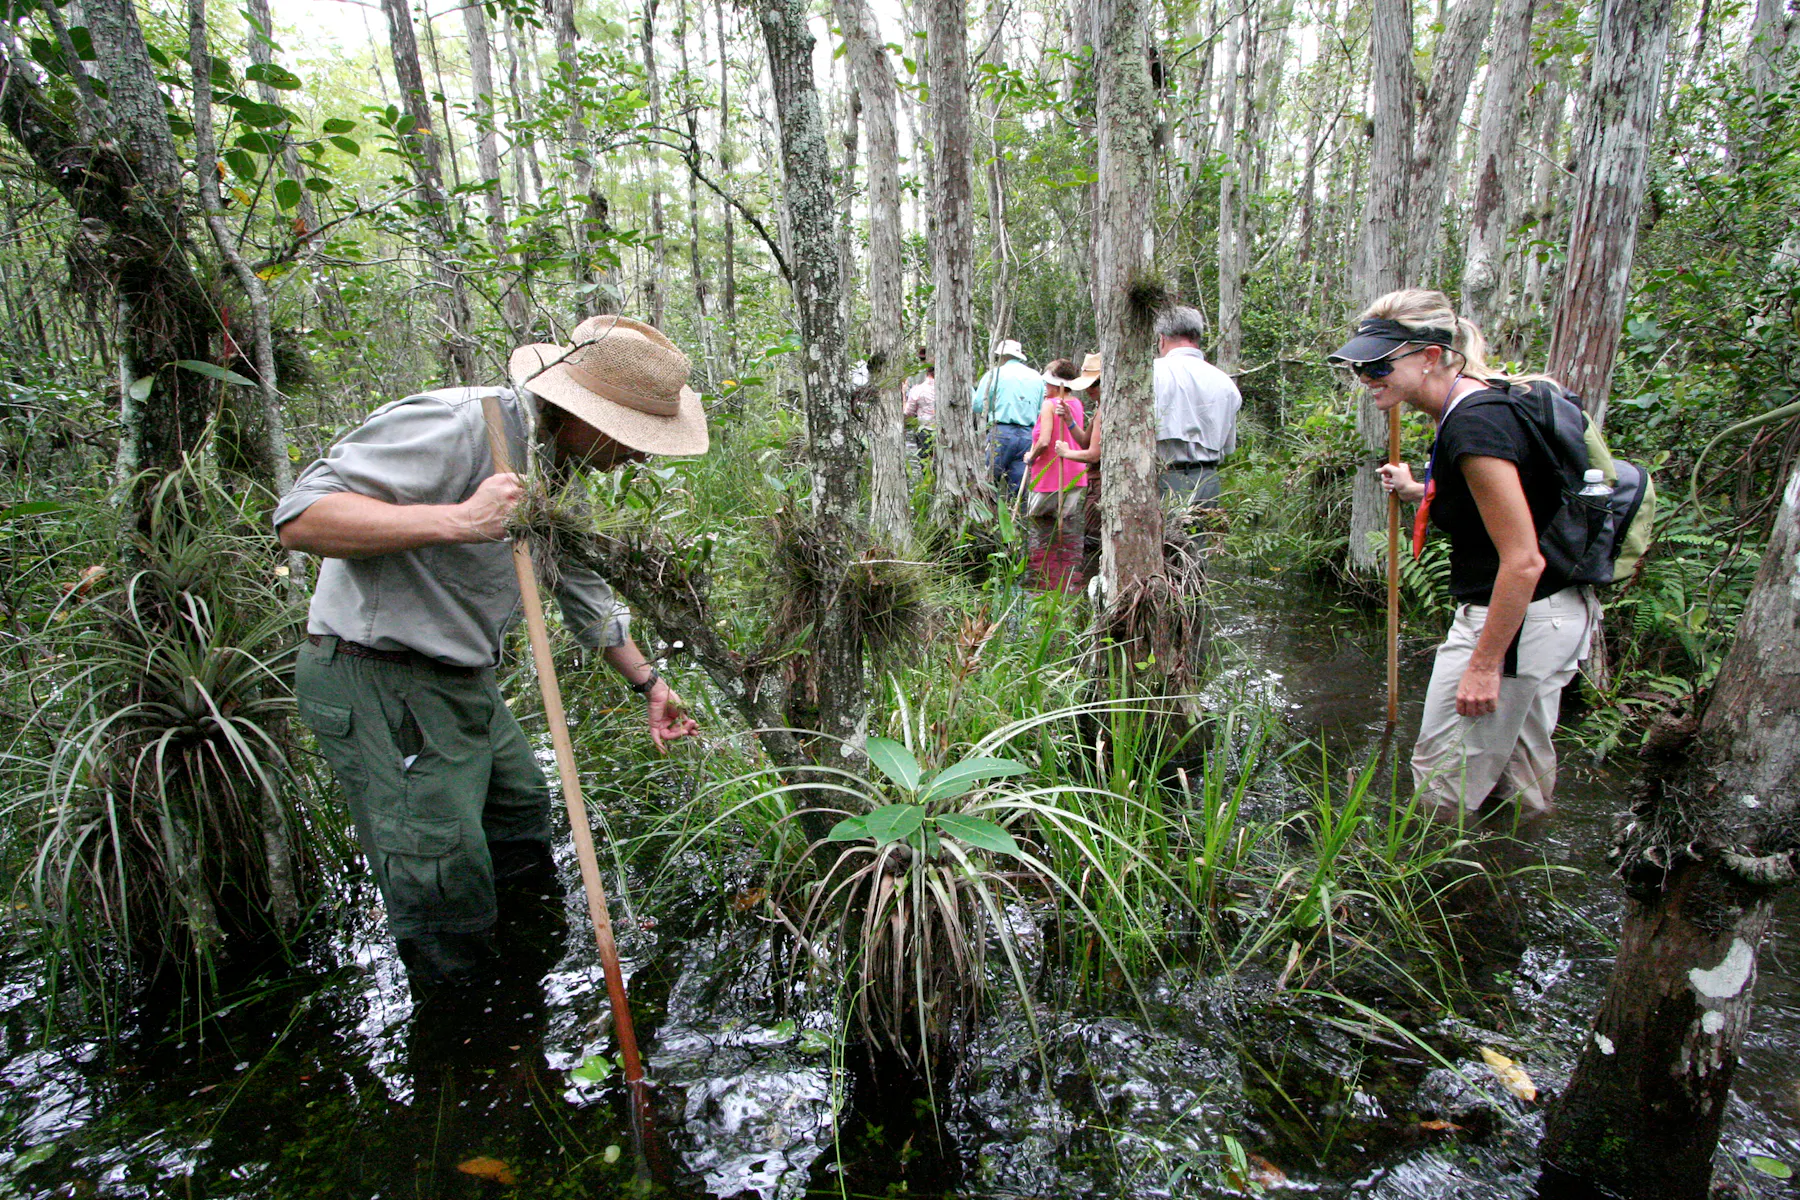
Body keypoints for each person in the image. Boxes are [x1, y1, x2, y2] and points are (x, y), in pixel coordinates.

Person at [276, 315, 705, 998]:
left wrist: (648, 682)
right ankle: (466, 1036)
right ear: (576, 411)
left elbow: (576, 580)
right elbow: (301, 517)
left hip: (461, 681)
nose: (641, 456)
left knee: (518, 818)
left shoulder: (554, 464)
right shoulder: (458, 426)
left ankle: (525, 991)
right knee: (441, 870)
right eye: (629, 436)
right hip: (378, 676)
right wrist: (457, 520)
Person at [1329, 288, 1600, 817]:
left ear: (1430, 356)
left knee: (1440, 785)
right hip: (1555, 615)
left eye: (1379, 365)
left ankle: (1433, 898)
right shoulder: (1481, 402)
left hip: (1517, 618)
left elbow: (1523, 559)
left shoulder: (1475, 422)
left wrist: (1483, 664)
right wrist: (1418, 490)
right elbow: (1513, 500)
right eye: (1359, 368)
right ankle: (1512, 883)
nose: (1366, 379)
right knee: (1519, 781)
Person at [1153, 306, 1241, 506]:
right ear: (1196, 337)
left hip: (1166, 479)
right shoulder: (1225, 382)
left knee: (1164, 537)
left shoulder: (1153, 374)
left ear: (1162, 338)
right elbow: (1228, 446)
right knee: (1199, 536)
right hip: (1209, 480)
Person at [972, 338, 1047, 496]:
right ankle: (1018, 517)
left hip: (1001, 433)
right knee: (1020, 489)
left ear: (1000, 356)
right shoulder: (1037, 377)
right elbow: (1042, 409)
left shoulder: (994, 374)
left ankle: (992, 518)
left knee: (989, 483)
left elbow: (978, 405)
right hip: (1028, 435)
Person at [1022, 358, 1087, 521]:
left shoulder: (1049, 404)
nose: (1045, 387)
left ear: (1055, 384)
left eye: (1047, 383)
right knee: (1064, 526)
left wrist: (1031, 457)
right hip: (1075, 475)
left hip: (1050, 476)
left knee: (1037, 524)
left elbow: (1044, 441)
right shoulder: (1077, 403)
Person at [904, 362, 936, 457]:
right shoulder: (948, 389)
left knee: (926, 464)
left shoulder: (918, 389)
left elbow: (908, 412)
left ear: (927, 371)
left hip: (925, 430)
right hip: (944, 431)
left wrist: (903, 395)